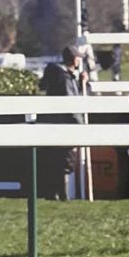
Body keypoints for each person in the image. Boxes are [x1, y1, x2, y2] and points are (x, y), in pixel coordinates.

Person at [38, 45, 87, 200]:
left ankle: (55, 195)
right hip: (64, 125)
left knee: (56, 162)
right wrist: (80, 127)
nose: (80, 60)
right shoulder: (64, 77)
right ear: (73, 59)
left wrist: (81, 82)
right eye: (78, 57)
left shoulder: (62, 75)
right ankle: (61, 195)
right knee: (63, 163)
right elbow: (71, 103)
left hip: (54, 124)